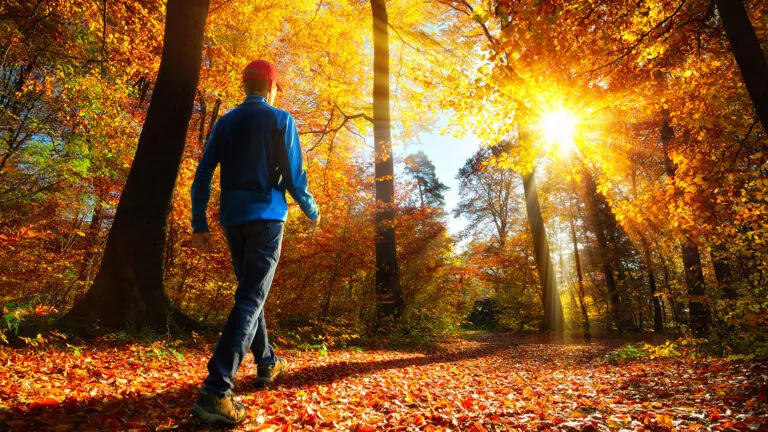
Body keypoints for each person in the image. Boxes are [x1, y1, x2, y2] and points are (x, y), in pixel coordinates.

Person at [189, 59, 320, 425]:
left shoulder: (225, 122)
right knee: (250, 297)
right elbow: (294, 176)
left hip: (233, 219)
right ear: (272, 86)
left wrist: (199, 222)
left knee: (250, 294)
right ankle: (216, 391)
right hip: (266, 219)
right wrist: (311, 210)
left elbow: (201, 177)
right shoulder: (281, 119)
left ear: (246, 86)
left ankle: (267, 362)